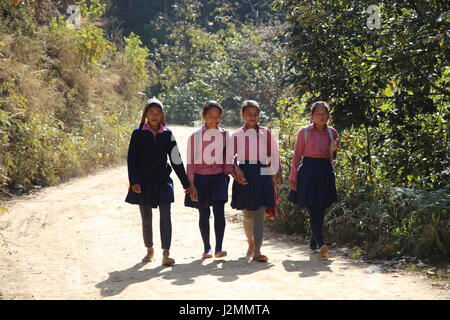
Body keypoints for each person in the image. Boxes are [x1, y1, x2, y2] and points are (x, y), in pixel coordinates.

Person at [125, 97, 190, 266]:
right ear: (145, 114)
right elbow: (132, 160)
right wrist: (134, 181)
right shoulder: (138, 133)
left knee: (166, 215)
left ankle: (166, 253)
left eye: (157, 113)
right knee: (146, 218)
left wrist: (185, 182)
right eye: (151, 112)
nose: (154, 116)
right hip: (143, 183)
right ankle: (149, 250)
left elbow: (176, 159)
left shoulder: (167, 134)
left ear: (162, 115)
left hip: (163, 182)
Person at [227, 100, 282, 262]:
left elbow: (274, 154)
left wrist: (278, 171)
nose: (253, 117)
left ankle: (257, 250)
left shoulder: (266, 133)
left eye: (256, 114)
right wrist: (235, 171)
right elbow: (229, 158)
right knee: (248, 214)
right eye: (249, 114)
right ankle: (250, 242)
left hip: (263, 174)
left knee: (259, 214)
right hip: (245, 173)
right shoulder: (237, 135)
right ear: (243, 115)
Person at [288, 101, 339, 260]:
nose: (322, 117)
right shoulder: (304, 132)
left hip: (325, 171)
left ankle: (313, 243)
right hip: (308, 172)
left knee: (321, 209)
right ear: (312, 116)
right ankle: (322, 244)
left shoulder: (332, 133)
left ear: (329, 115)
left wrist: (333, 150)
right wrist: (293, 175)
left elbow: (333, 157)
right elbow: (297, 156)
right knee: (313, 209)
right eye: (318, 114)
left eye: (325, 114)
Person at [185, 101, 231, 259]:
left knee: (219, 212)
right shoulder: (195, 137)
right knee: (204, 213)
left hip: (219, 178)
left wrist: (231, 174)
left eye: (218, 116)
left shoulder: (225, 135)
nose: (214, 119)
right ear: (203, 116)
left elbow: (228, 158)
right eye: (211, 116)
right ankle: (207, 248)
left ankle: (219, 247)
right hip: (200, 179)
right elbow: (190, 162)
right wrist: (191, 184)